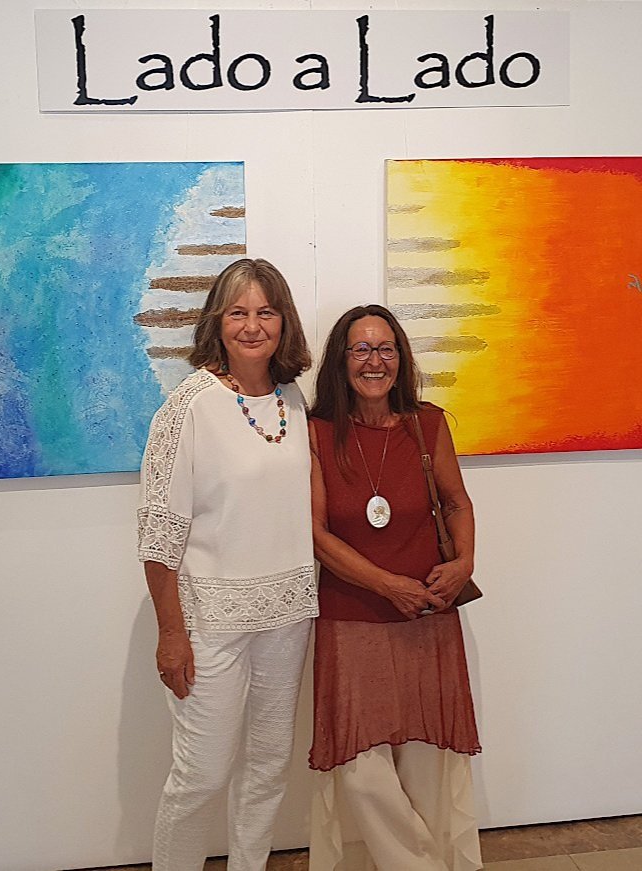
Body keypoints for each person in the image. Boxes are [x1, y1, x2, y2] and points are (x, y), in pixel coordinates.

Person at [137, 258, 318, 871]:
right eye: (238, 312)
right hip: (210, 623)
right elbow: (159, 534)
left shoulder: (292, 399)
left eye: (266, 312)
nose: (252, 325)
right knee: (201, 776)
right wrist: (170, 633)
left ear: (283, 322)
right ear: (217, 321)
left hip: (287, 615)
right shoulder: (188, 406)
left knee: (268, 766)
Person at [307, 304, 482, 871]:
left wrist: (464, 563)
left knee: (427, 762)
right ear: (341, 361)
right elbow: (316, 534)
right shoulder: (317, 432)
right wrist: (387, 586)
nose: (374, 361)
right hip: (350, 616)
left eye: (385, 349)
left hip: (428, 612)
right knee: (362, 771)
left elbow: (456, 503)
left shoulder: (428, 424)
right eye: (360, 349)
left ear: (401, 359)